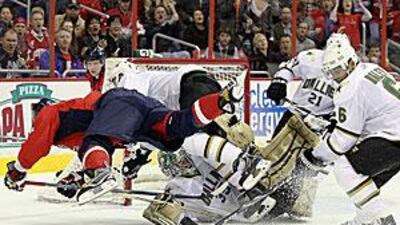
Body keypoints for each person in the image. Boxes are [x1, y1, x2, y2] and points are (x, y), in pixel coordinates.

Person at [4, 82, 250, 205]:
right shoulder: (81, 125)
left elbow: (35, 147)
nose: (35, 121)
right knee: (176, 126)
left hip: (119, 103)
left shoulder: (52, 112)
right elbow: (91, 150)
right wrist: (78, 179)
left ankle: (101, 173)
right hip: (141, 110)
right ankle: (221, 101)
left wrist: (18, 171)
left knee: (96, 141)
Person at [298, 35, 399, 225]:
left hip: (393, 136)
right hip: (393, 133)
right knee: (364, 182)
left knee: (346, 167)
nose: (334, 77)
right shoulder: (370, 68)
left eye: (337, 70)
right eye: (331, 73)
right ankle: (365, 219)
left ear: (351, 62)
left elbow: (343, 141)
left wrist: (315, 156)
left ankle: (380, 220)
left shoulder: (350, 88)